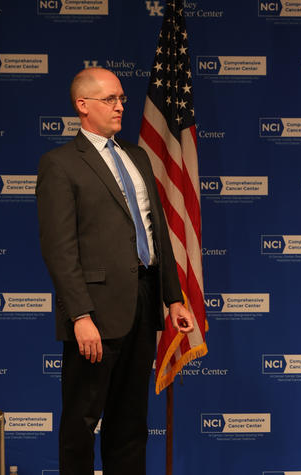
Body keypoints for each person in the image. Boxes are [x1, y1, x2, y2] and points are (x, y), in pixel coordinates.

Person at [36, 67, 195, 475]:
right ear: (82, 106)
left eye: (122, 98)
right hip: (94, 312)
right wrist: (80, 315)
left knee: (131, 423)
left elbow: (156, 229)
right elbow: (60, 249)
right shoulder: (60, 164)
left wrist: (172, 297)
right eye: (111, 99)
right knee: (81, 422)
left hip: (141, 304)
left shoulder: (136, 155)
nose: (120, 106)